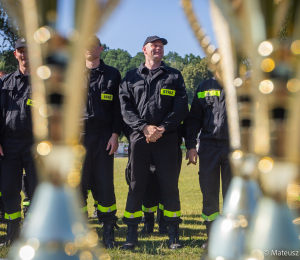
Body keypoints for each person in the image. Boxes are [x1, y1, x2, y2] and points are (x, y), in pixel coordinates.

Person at [119, 36, 189, 250]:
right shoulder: (130, 77)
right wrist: (144, 127)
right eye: (154, 46)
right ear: (144, 50)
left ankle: (172, 233)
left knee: (169, 186)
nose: (158, 49)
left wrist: (162, 128)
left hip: (167, 140)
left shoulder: (174, 76)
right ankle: (132, 233)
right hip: (140, 139)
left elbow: (181, 108)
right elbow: (124, 108)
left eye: (161, 46)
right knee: (136, 185)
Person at [80, 35, 122, 249]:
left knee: (105, 184)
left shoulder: (113, 74)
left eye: (93, 45)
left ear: (101, 48)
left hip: (104, 137)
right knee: (78, 185)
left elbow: (118, 109)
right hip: (78, 138)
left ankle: (108, 229)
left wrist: (115, 135)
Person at [185, 65, 232, 249]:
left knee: (232, 194)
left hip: (234, 148)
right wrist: (190, 145)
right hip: (208, 147)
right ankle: (212, 237)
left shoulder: (240, 85)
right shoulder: (203, 87)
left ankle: (231, 237)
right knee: (209, 194)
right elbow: (194, 118)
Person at [0, 38, 38, 246]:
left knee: (35, 190)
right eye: (20, 51)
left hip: (34, 145)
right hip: (8, 144)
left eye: (28, 51)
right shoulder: (4, 83)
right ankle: (13, 234)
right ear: (15, 54)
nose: (24, 55)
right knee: (9, 190)